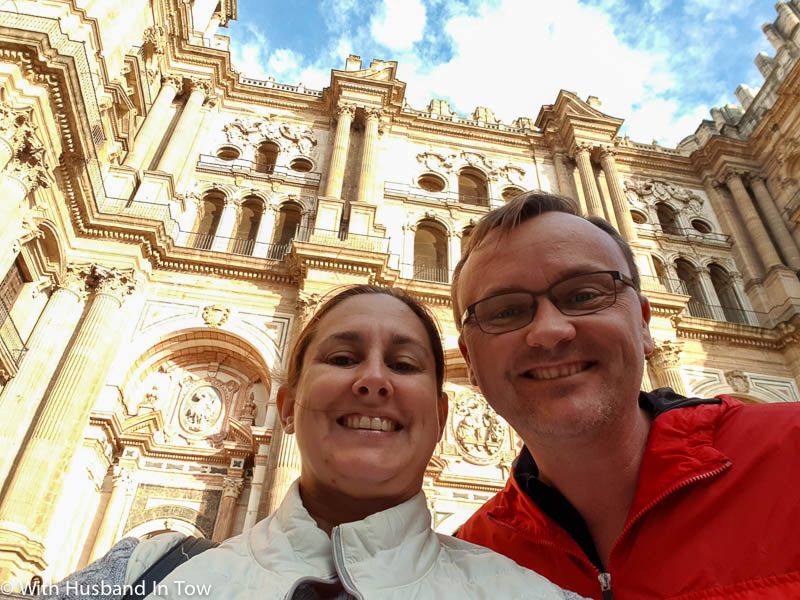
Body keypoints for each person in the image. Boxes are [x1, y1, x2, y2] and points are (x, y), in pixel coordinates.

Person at [43, 285, 585, 599]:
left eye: (403, 364)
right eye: (343, 358)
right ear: (285, 408)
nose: (373, 381)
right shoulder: (146, 575)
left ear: (442, 418)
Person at [451, 191, 800, 599]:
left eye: (583, 295)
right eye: (505, 310)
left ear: (645, 322)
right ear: (469, 362)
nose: (550, 331)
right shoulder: (465, 567)